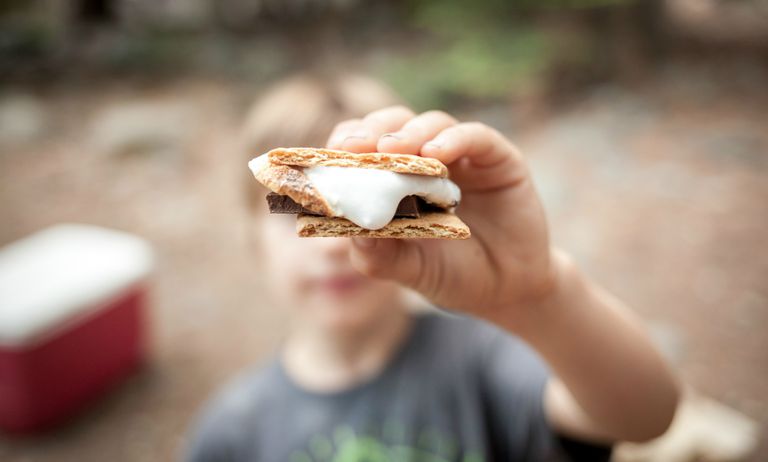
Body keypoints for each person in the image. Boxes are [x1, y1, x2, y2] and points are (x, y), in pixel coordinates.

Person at [184, 73, 680, 462]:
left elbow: (645, 417)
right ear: (252, 239)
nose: (336, 246)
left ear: (411, 213)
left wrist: (537, 296)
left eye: (354, 216)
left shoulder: (484, 367)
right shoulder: (232, 431)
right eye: (300, 208)